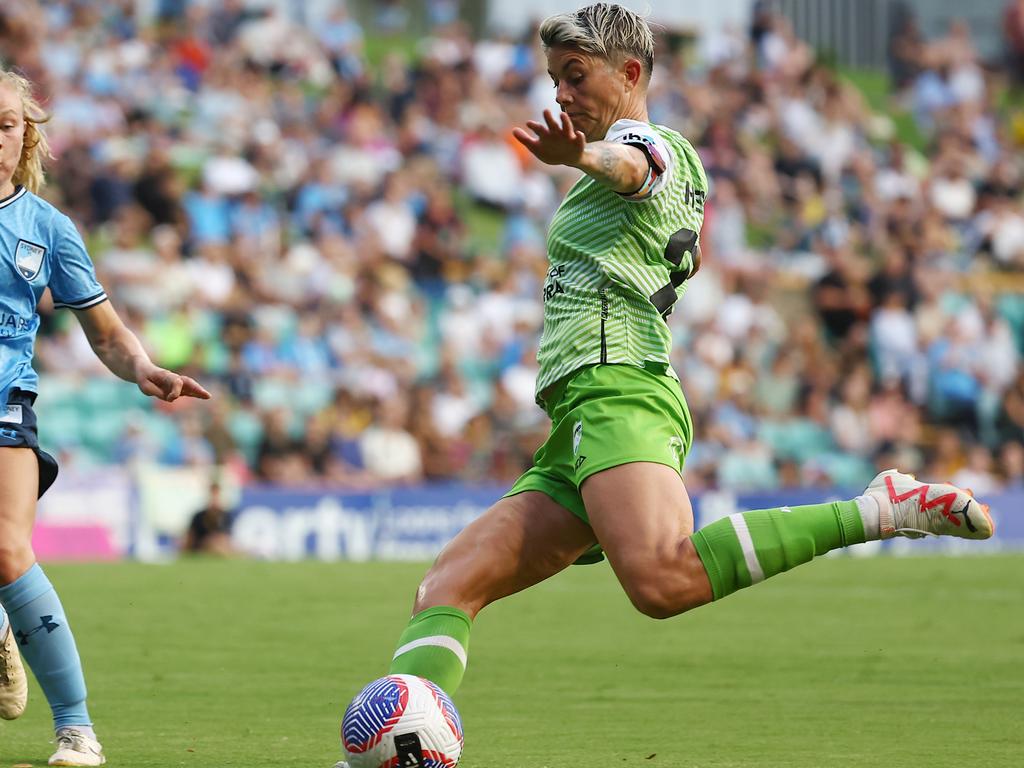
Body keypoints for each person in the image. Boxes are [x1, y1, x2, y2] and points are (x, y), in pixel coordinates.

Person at [334, 5, 994, 765]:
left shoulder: (654, 145)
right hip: (580, 415)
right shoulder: (632, 160)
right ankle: (405, 753)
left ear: (632, 74)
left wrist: (583, 157)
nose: (563, 94)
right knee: (446, 588)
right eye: (555, 79)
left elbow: (636, 168)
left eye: (576, 76)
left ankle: (882, 509)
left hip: (621, 391)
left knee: (662, 580)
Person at [0, 70, 210, 766]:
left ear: (25, 136)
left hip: (5, 407)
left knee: (7, 550)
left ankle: (76, 729)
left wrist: (145, 369)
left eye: (6, 124)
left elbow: (107, 333)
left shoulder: (47, 228)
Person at [181, 481, 236, 557]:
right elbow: (190, 538)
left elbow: (224, 538)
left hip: (218, 546)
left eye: (216, 495)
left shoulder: (225, 516)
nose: (214, 499)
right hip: (200, 548)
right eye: (212, 495)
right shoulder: (198, 516)